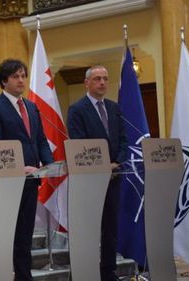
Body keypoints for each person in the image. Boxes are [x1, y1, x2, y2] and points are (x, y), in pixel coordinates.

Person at [0, 59, 53, 281]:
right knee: (11, 235)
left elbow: (40, 140)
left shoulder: (31, 106)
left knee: (25, 235)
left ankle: (24, 276)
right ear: (4, 81)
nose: (21, 80)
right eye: (15, 76)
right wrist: (16, 168)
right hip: (8, 183)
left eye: (23, 75)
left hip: (32, 180)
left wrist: (48, 164)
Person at [67, 65, 128, 281]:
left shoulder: (114, 108)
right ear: (87, 83)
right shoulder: (77, 109)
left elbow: (123, 141)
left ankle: (108, 272)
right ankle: (87, 272)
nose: (102, 83)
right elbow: (80, 143)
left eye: (105, 78)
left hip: (114, 177)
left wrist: (116, 162)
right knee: (90, 229)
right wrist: (103, 166)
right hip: (89, 180)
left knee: (110, 229)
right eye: (97, 79)